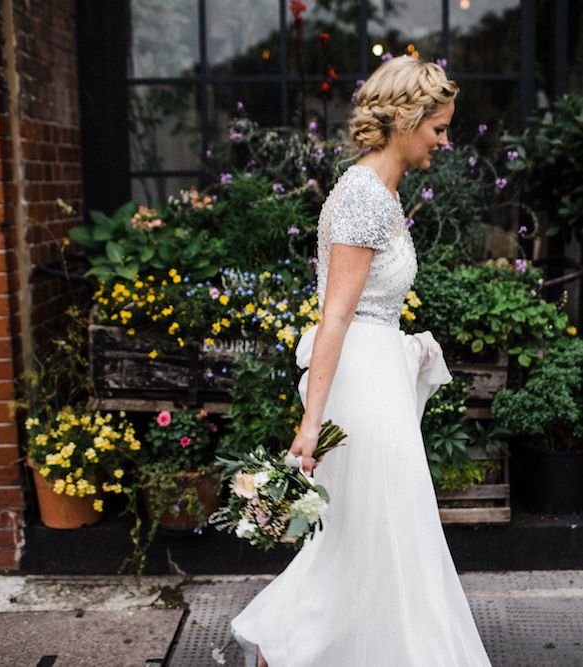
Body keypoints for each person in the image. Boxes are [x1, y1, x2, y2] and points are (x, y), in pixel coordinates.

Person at [230, 56, 493, 666]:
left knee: (373, 538)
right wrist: (310, 424)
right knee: (380, 536)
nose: (445, 142)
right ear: (405, 119)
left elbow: (368, 309)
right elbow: (337, 318)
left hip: (380, 380)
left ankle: (307, 646)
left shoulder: (379, 193)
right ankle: (284, 641)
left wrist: (410, 348)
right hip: (363, 390)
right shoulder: (364, 198)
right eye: (439, 128)